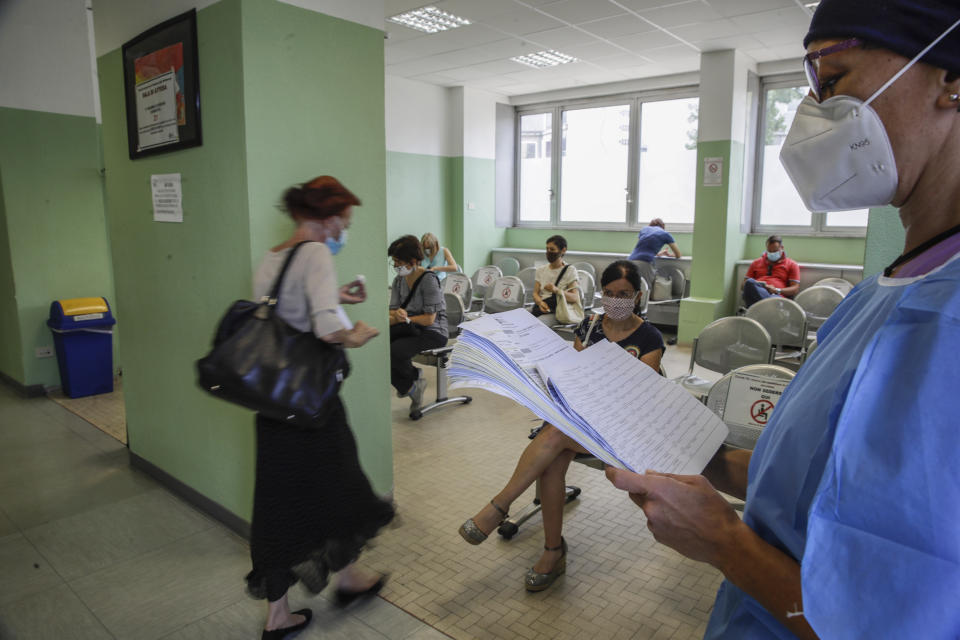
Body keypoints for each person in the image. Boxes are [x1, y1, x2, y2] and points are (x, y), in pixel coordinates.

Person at [606, 3, 960, 638]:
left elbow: (884, 620)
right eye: (810, 84)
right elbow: (813, 485)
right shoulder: (889, 289)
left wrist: (722, 542)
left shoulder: (947, 324)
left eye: (836, 77)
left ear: (951, 80)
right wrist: (705, 456)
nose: (816, 113)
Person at [247, 176, 394, 639]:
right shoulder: (313, 254)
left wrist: (336, 297)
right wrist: (359, 332)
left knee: (279, 504)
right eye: (344, 221)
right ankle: (348, 578)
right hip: (314, 408)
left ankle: (282, 612)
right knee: (343, 486)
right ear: (327, 217)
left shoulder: (273, 257)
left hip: (275, 405)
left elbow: (283, 316)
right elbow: (329, 331)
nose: (344, 229)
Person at [460, 260, 664, 591]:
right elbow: (572, 371)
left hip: (620, 426)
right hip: (581, 415)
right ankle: (552, 551)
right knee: (552, 459)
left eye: (624, 294)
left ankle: (501, 506)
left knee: (554, 435)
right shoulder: (590, 325)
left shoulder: (649, 336)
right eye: (609, 293)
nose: (615, 301)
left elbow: (639, 392)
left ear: (637, 296)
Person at [388, 234, 448, 414]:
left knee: (395, 350)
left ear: (413, 260)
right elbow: (392, 310)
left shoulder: (429, 280)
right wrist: (396, 315)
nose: (396, 266)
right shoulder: (399, 280)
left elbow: (429, 319)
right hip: (409, 327)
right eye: (394, 262)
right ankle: (412, 386)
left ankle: (413, 378)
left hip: (433, 332)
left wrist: (405, 318)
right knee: (379, 347)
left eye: (399, 261)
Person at [530, 235, 580, 325]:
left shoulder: (570, 270)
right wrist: (540, 303)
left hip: (557, 310)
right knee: (520, 317)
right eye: (547, 249)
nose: (549, 252)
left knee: (537, 324)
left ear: (563, 250)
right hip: (541, 305)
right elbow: (535, 293)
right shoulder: (541, 270)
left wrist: (556, 290)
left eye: (552, 249)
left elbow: (574, 298)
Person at [741, 235, 801, 308]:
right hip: (756, 294)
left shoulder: (792, 264)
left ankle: (768, 307)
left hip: (776, 296)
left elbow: (795, 289)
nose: (772, 253)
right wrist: (760, 286)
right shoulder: (756, 263)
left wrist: (776, 290)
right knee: (750, 282)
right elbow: (744, 285)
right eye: (769, 251)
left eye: (775, 251)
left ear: (782, 248)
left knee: (773, 301)